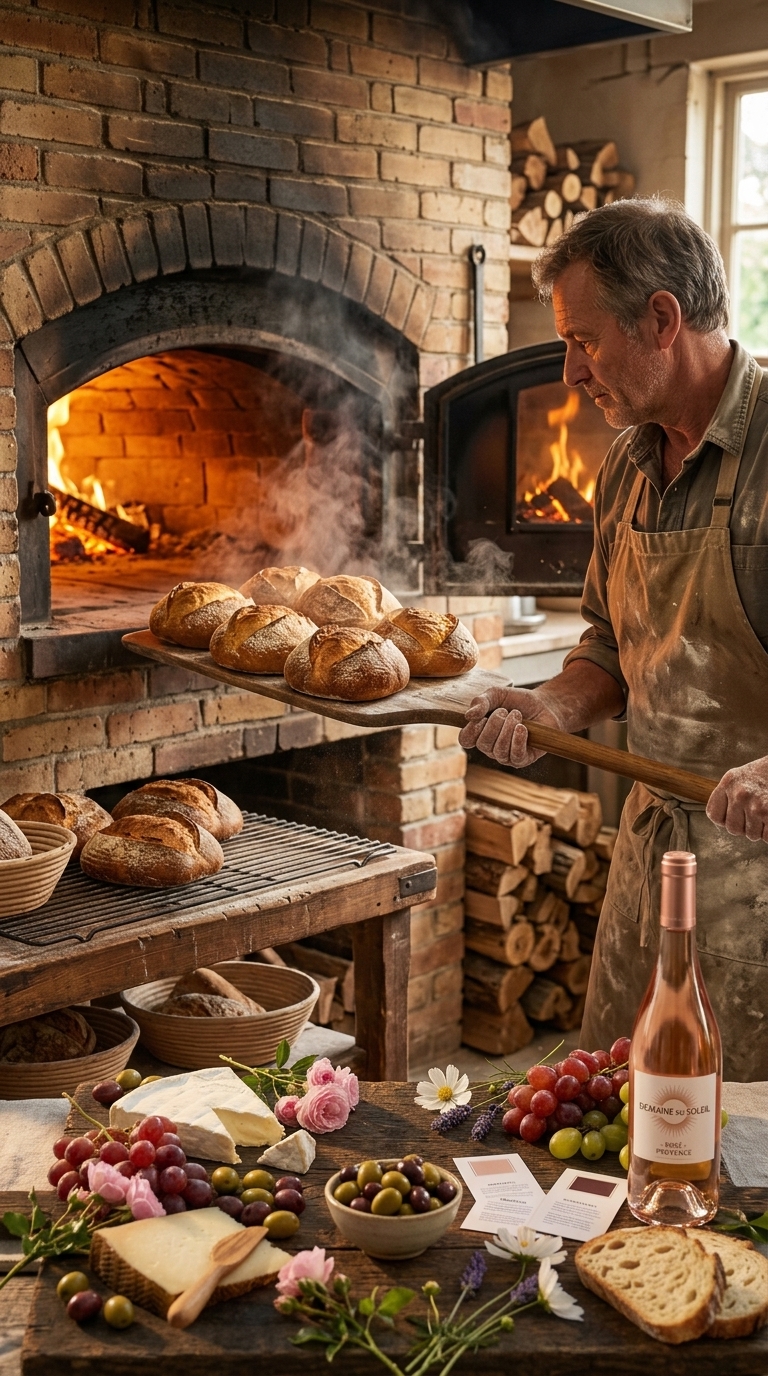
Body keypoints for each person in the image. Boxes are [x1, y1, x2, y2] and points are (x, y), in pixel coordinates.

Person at [459, 198, 768, 1080]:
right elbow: (607, 642)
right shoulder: (628, 464)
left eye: (584, 341)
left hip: (759, 881)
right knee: (620, 1109)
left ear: (663, 318)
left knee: (738, 1161)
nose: (569, 372)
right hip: (651, 863)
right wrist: (551, 703)